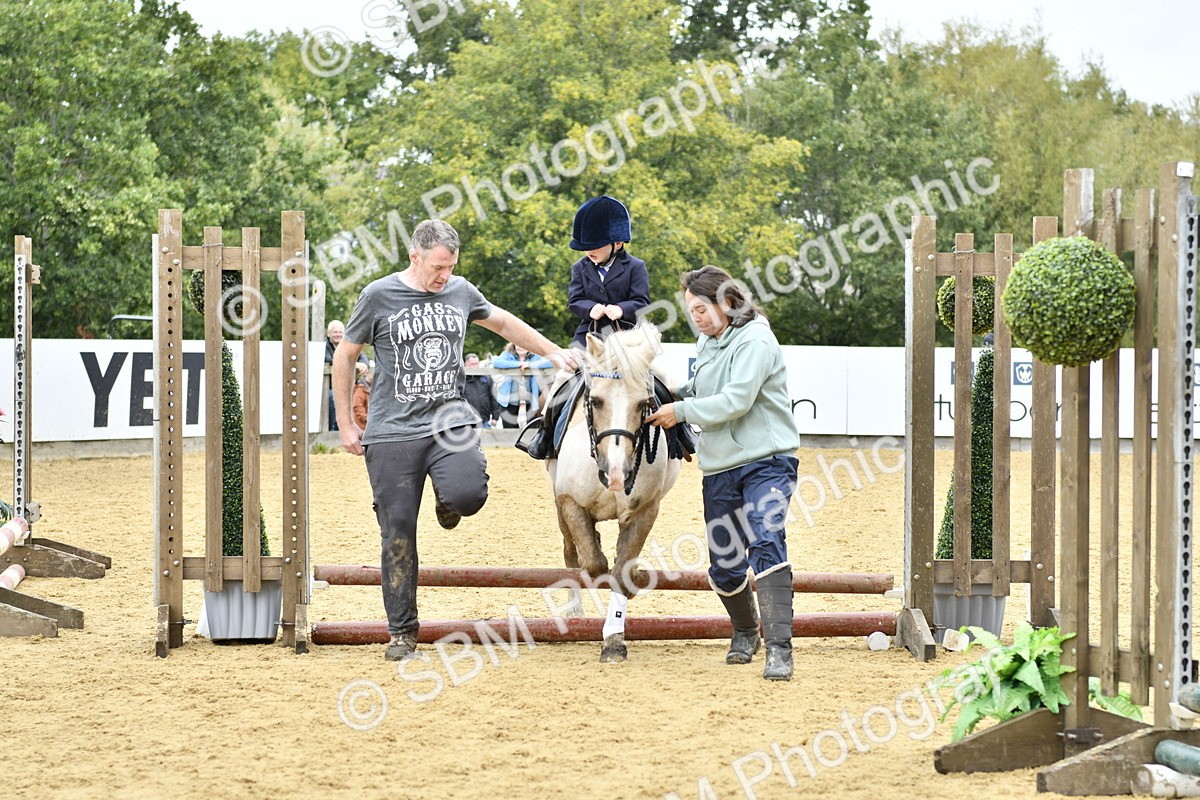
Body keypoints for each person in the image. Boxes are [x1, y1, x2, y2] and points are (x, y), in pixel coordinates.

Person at [332, 219, 575, 662]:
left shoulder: (461, 291)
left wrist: (552, 351)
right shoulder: (378, 295)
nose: (445, 276)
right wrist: (347, 424)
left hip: (449, 421)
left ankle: (447, 498)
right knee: (397, 532)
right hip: (392, 432)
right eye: (438, 267)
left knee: (468, 495)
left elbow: (503, 323)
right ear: (415, 256)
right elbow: (346, 355)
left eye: (450, 267)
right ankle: (402, 632)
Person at [646, 266, 800, 681]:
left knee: (766, 540)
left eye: (701, 308)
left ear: (727, 302)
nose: (694, 317)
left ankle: (780, 650)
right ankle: (746, 631)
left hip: (768, 461)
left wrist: (679, 411)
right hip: (720, 466)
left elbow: (736, 400)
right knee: (725, 565)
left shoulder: (756, 339)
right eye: (690, 311)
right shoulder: (709, 341)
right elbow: (704, 389)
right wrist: (668, 392)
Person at [566, 196, 650, 348]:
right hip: (590, 331)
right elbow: (575, 300)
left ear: (617, 243)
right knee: (572, 360)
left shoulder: (636, 266)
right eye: (585, 247)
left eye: (595, 246)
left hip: (626, 332)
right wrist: (590, 308)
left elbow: (642, 302)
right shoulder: (579, 267)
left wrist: (621, 309)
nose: (589, 252)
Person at [492, 343, 553, 428]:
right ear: (514, 345)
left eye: (523, 345)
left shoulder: (535, 356)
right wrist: (518, 364)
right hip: (509, 399)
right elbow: (496, 362)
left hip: (530, 398)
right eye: (518, 345)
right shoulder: (507, 355)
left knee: (532, 427)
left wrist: (529, 365)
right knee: (509, 427)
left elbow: (549, 363)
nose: (520, 347)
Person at [463, 353, 500, 428]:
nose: (475, 366)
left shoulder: (486, 378)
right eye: (472, 364)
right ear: (466, 364)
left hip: (484, 420)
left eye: (476, 364)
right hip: (465, 421)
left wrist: (495, 417)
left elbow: (493, 397)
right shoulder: (461, 380)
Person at [351, 361, 371, 430]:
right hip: (361, 427)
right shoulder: (361, 388)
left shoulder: (368, 387)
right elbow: (357, 406)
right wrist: (367, 419)